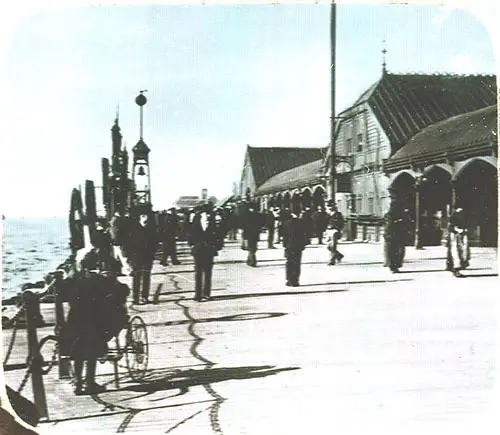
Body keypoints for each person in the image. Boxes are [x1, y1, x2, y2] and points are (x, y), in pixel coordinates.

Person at [59, 250, 130, 395]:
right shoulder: (98, 279)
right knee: (91, 352)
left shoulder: (73, 279)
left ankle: (78, 384)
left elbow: (61, 294)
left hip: (75, 319)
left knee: (77, 352)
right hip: (94, 319)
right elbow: (120, 291)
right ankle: (90, 382)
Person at [189, 203, 221, 301]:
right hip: (198, 249)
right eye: (205, 214)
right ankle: (198, 294)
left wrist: (216, 246)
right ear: (201, 214)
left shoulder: (212, 220)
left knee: (208, 272)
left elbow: (218, 234)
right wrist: (192, 244)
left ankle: (206, 293)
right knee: (198, 272)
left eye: (208, 214)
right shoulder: (195, 219)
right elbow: (190, 232)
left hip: (209, 249)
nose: (207, 216)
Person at [129, 211, 158, 304]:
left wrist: (153, 253)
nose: (146, 219)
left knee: (146, 276)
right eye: (143, 217)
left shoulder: (151, 229)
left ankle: (144, 296)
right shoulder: (134, 229)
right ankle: (135, 297)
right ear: (140, 218)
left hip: (148, 256)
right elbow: (130, 244)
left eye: (147, 218)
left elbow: (155, 242)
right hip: (136, 256)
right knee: (136, 277)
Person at [283, 212, 308, 286]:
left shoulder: (287, 223)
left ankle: (289, 279)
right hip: (298, 246)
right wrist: (303, 244)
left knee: (289, 262)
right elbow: (305, 235)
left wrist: (285, 245)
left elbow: (285, 236)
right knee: (297, 263)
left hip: (289, 246)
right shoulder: (302, 223)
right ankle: (296, 279)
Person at [446, 207, 470, 277]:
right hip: (455, 236)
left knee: (457, 251)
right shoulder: (456, 215)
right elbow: (452, 227)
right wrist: (459, 230)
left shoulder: (458, 214)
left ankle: (452, 266)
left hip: (458, 235)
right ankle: (456, 269)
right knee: (456, 252)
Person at [383, 202, 407, 273]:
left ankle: (395, 266)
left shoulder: (400, 215)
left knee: (398, 251)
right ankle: (393, 267)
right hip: (391, 236)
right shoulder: (390, 216)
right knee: (393, 252)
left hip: (397, 236)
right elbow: (389, 226)